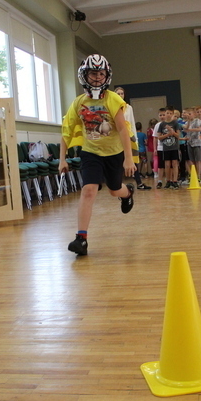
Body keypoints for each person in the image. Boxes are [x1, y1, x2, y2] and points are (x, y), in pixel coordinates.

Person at [60, 55, 136, 256]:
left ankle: (127, 193)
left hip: (114, 153)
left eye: (101, 73)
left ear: (107, 76)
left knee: (114, 190)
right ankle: (81, 238)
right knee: (88, 190)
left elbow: (122, 129)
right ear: (84, 75)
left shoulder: (113, 99)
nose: (97, 77)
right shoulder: (79, 102)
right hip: (91, 153)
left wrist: (128, 158)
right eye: (93, 73)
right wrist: (62, 159)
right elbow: (66, 131)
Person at [114, 86, 151, 190]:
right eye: (118, 93)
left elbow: (131, 122)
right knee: (118, 161)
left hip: (128, 136)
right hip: (116, 137)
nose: (120, 95)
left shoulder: (128, 107)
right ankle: (117, 184)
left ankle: (139, 183)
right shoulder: (112, 107)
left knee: (132, 160)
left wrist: (135, 138)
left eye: (122, 93)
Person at [157, 105, 181, 189]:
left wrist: (172, 132)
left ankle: (175, 181)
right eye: (167, 113)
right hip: (166, 147)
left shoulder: (175, 123)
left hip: (174, 147)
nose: (169, 115)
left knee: (174, 163)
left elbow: (178, 136)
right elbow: (159, 137)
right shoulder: (162, 124)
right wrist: (167, 134)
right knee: (167, 164)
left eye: (171, 113)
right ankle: (168, 181)